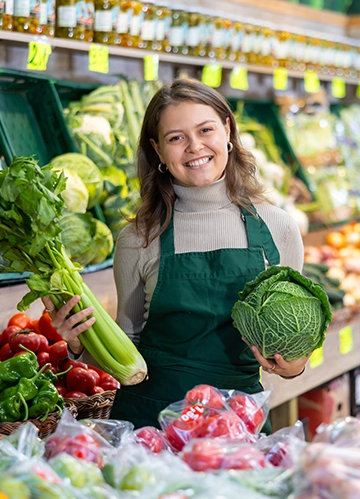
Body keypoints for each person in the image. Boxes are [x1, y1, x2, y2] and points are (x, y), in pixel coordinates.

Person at [42, 79, 308, 429]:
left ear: (227, 129)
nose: (195, 147)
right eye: (176, 138)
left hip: (238, 425)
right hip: (152, 426)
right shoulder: (139, 238)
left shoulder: (278, 228)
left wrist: (293, 365)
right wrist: (77, 343)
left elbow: (291, 350)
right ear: (157, 150)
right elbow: (129, 346)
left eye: (205, 130)